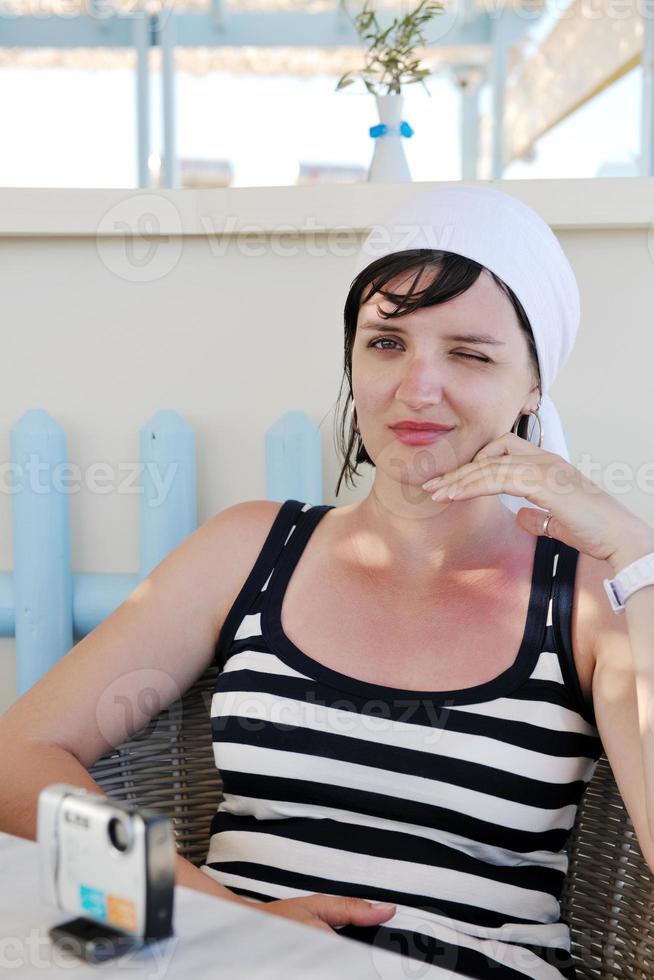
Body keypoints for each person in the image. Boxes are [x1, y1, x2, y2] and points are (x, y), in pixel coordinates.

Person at [1, 185, 654, 979]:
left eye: (470, 354)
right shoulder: (252, 548)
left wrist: (632, 550)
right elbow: (19, 754)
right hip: (222, 954)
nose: (418, 388)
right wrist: (201, 900)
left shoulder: (591, 593)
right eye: (386, 344)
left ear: (532, 386)